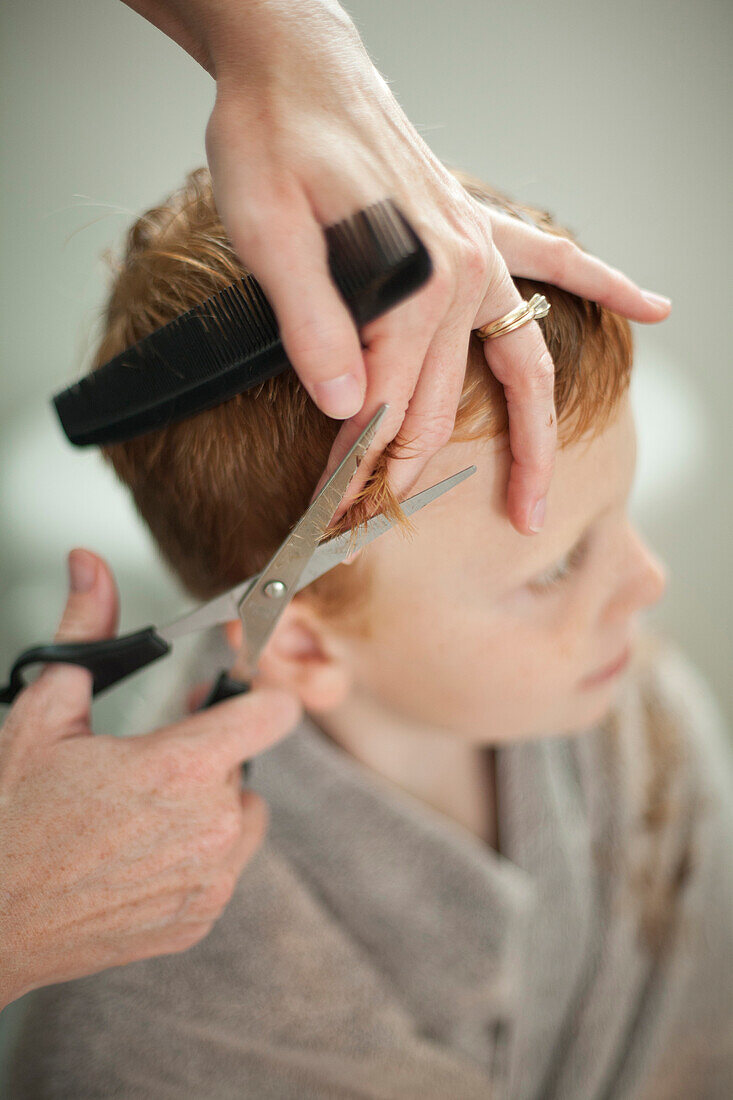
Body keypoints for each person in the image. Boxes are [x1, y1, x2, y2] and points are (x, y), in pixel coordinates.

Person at [9, 166, 731, 1098]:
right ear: (302, 646)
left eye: (620, 515)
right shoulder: (161, 988)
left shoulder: (639, 713)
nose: (647, 583)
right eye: (553, 566)